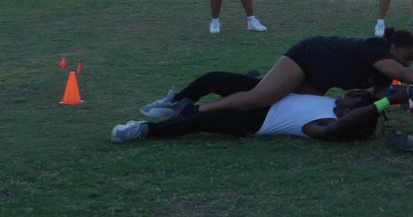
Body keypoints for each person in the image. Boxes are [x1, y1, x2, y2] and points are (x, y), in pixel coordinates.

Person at [165, 28, 413, 117]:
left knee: (277, 99)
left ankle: (253, 78)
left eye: (411, 61)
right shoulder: (375, 47)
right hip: (307, 57)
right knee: (258, 99)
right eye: (406, 57)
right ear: (393, 47)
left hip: (318, 80)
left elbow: (382, 98)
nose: (407, 65)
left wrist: (412, 98)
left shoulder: (385, 70)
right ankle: (195, 109)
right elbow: (400, 73)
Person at [111, 73, 391, 143]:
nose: (352, 96)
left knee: (198, 121)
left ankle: (145, 131)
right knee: (214, 79)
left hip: (257, 119)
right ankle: (174, 103)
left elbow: (341, 127)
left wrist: (383, 102)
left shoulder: (325, 125)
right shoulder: (328, 101)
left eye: (357, 100)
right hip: (263, 92)